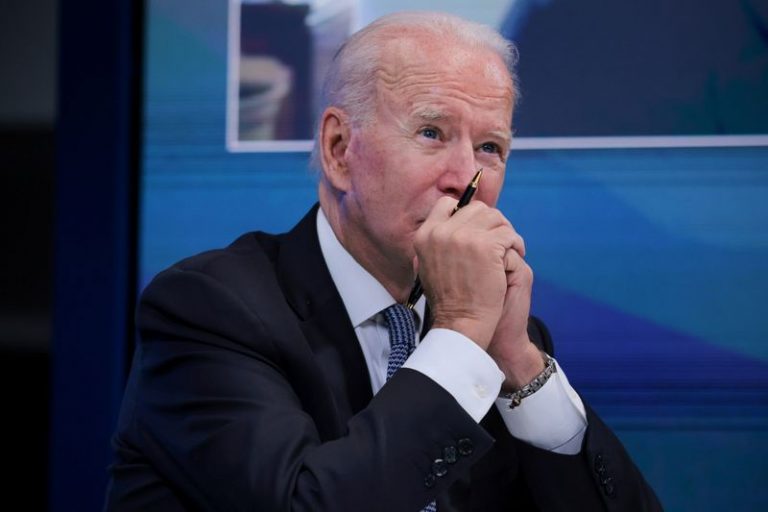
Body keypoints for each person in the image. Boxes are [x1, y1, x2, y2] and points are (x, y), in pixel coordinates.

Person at [105, 11, 661, 511]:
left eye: (489, 148)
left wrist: (519, 364)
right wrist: (460, 334)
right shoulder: (210, 310)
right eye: (431, 133)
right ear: (339, 149)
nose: (464, 179)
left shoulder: (496, 338)